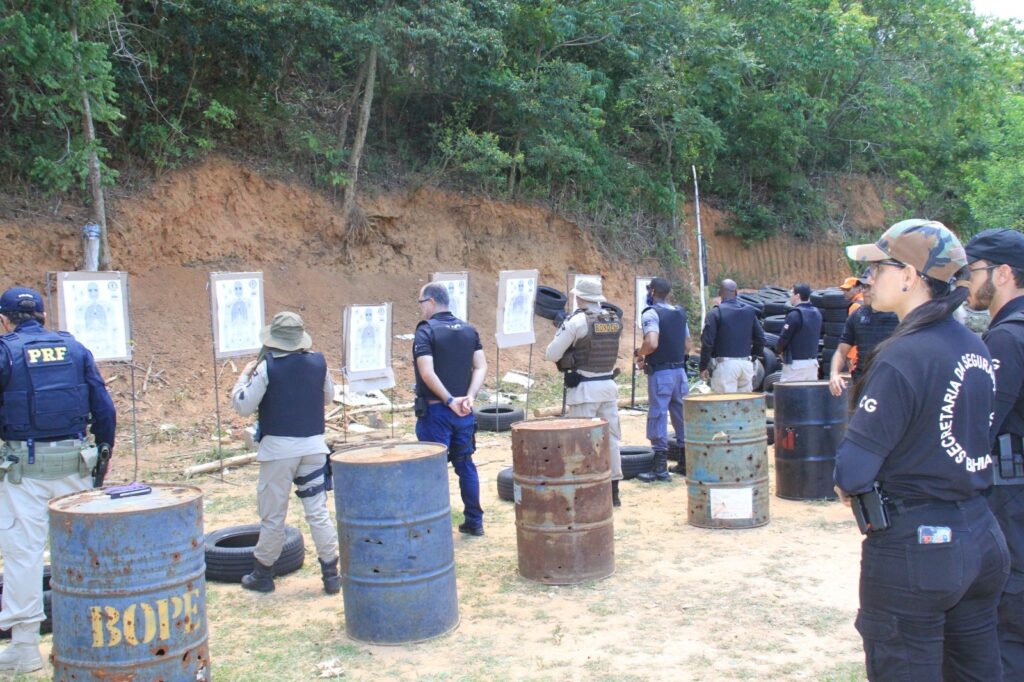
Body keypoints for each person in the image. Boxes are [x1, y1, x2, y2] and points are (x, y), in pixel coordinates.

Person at [835, 219, 1009, 681]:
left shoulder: (903, 355)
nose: (869, 277)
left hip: (919, 552)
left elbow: (851, 472)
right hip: (981, 536)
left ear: (910, 276)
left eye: (878, 267)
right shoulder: (974, 344)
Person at [0, 287, 116, 674]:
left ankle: (25, 650)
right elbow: (104, 409)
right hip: (74, 465)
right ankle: (92, 638)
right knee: (83, 554)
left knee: (23, 557)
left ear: (5, 320)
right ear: (46, 316)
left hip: (23, 471)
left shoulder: (6, 351)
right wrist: (102, 459)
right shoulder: (75, 348)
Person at [230, 311, 340, 594]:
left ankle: (263, 573)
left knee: (273, 515)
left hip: (279, 450)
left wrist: (243, 378)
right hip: (314, 446)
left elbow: (243, 405)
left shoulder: (268, 366)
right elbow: (328, 396)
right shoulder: (319, 362)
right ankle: (331, 573)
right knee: (317, 512)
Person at [964, 228, 1024, 676]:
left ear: (1002, 273)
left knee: (1007, 628)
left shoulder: (1006, 339)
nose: (967, 280)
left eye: (974, 270)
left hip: (1012, 497)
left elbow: (980, 430)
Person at [414, 283, 488, 535]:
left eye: (421, 302)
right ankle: (475, 522)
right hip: (464, 412)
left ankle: (435, 527)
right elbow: (480, 367)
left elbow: (427, 372)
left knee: (433, 469)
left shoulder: (426, 331)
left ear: (431, 302)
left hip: (437, 412)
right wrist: (468, 397)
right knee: (465, 464)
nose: (421, 308)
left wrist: (448, 400)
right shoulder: (469, 329)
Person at [545, 278, 624, 506]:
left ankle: (583, 489)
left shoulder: (577, 321)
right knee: (611, 441)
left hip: (585, 388)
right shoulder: (613, 318)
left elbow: (551, 354)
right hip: (608, 386)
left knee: (580, 441)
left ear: (579, 297)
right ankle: (613, 491)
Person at [634, 277, 690, 482]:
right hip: (680, 373)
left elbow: (652, 341)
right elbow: (687, 346)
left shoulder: (651, 313)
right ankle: (684, 463)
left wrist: (640, 354)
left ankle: (659, 468)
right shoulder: (680, 312)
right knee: (681, 416)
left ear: (653, 291)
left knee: (658, 415)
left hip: (661, 373)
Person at [827, 283, 898, 396]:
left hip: (891, 383)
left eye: (869, 287)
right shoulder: (857, 315)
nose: (864, 291)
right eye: (864, 287)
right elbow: (841, 351)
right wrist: (834, 374)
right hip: (862, 383)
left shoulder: (900, 315)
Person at [699, 279, 765, 393]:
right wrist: (753, 356)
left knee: (726, 406)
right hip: (746, 365)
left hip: (726, 366)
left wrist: (703, 366)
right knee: (744, 407)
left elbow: (707, 343)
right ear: (736, 292)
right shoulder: (749, 311)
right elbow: (761, 338)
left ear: (720, 293)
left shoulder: (715, 313)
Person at [776, 283, 822, 382]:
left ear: (797, 296)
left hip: (796, 365)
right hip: (813, 363)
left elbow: (784, 338)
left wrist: (779, 351)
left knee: (788, 395)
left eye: (792, 293)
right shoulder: (817, 313)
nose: (790, 297)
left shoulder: (794, 314)